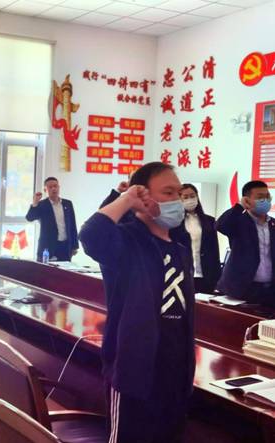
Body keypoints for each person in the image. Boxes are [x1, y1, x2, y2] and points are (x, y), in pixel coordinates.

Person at [80, 162, 195, 443]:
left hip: (175, 374)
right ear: (143, 197)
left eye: (179, 193)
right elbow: (91, 235)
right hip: (135, 374)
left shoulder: (180, 248)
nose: (177, 200)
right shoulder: (127, 243)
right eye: (168, 192)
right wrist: (127, 199)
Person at [216, 180, 274, 307]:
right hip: (243, 288)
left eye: (267, 196)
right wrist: (239, 206)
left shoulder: (273, 224)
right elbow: (220, 225)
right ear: (247, 200)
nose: (265, 200)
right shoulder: (238, 222)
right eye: (260, 197)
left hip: (270, 290)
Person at [178, 184, 221, 294]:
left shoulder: (209, 221)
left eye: (192, 196)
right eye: (185, 197)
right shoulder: (175, 222)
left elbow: (214, 251)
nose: (190, 199)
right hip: (183, 273)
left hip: (206, 273)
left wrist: (217, 278)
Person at [26, 177, 78, 262]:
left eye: (55, 186)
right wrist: (35, 203)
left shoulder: (68, 204)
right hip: (47, 246)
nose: (53, 189)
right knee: (46, 270)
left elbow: (72, 225)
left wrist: (75, 246)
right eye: (50, 187)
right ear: (45, 190)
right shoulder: (42, 205)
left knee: (65, 270)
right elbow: (30, 218)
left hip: (65, 246)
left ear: (59, 187)